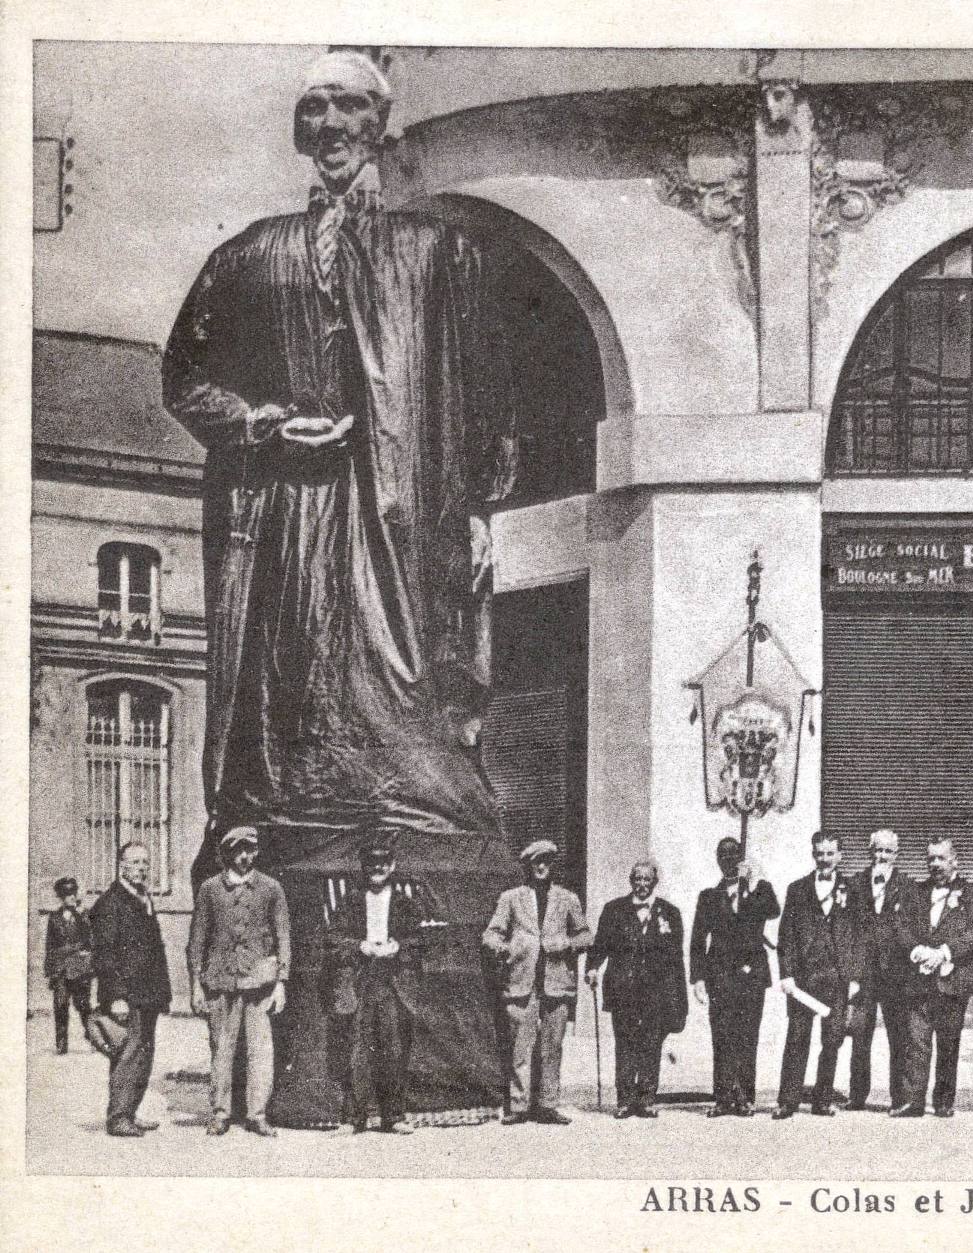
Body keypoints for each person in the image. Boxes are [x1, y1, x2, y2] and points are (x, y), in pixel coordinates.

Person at [161, 49, 518, 1126]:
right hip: (284, 518)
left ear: (384, 121)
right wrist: (265, 424)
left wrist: (481, 512)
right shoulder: (247, 255)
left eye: (349, 103)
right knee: (295, 676)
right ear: (296, 128)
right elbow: (187, 375)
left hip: (403, 522)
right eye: (312, 105)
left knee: (405, 685)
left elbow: (491, 391)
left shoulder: (439, 253)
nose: (330, 121)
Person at [187, 826, 290, 1136]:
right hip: (220, 981)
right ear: (227, 853)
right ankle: (220, 1112)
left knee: (261, 1050)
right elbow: (197, 939)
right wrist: (195, 984)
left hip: (259, 982)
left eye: (250, 850)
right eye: (238, 850)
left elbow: (283, 935)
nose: (245, 857)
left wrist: (281, 982)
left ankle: (257, 1114)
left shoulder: (271, 888)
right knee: (222, 1048)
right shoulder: (210, 889)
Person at [483, 840, 593, 1125]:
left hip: (557, 982)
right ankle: (519, 1106)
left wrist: (565, 943)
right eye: (536, 862)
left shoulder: (568, 898)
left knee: (552, 1047)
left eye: (546, 860)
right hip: (522, 983)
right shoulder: (511, 898)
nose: (541, 866)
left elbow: (585, 936)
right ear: (528, 866)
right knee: (521, 1047)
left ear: (553, 864)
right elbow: (491, 935)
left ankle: (547, 1105)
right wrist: (506, 949)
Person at [325, 836, 421, 1134]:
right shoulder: (351, 900)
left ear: (392, 866)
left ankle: (394, 1116)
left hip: (392, 984)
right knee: (358, 1050)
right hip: (360, 981)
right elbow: (333, 939)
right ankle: (354, 1118)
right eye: (371, 863)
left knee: (393, 1049)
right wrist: (360, 946)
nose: (377, 868)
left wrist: (398, 947)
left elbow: (419, 940)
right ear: (364, 867)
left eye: (383, 863)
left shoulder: (405, 903)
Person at [774, 830, 867, 1119]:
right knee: (797, 1039)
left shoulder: (853, 890)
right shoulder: (797, 889)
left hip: (836, 978)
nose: (825, 859)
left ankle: (822, 1100)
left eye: (830, 853)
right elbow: (785, 936)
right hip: (803, 980)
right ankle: (787, 1101)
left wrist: (854, 978)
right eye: (820, 853)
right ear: (813, 854)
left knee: (832, 1042)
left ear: (839, 856)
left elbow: (860, 937)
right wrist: (787, 974)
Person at [892, 837, 973, 1118]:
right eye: (930, 858)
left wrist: (944, 952)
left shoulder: (971, 893)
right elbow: (901, 926)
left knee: (948, 1043)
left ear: (954, 861)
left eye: (940, 858)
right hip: (919, 980)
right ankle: (912, 1101)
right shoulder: (914, 892)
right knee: (916, 1042)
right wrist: (916, 948)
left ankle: (944, 1101)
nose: (934, 864)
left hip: (952, 981)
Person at [588, 860, 688, 1120]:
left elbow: (676, 958)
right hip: (623, 989)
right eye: (637, 879)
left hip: (657, 991)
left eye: (647, 880)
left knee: (651, 1043)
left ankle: (646, 1099)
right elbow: (600, 944)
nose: (642, 885)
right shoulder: (614, 910)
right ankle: (624, 1100)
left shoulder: (670, 912)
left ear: (654, 883)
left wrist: (678, 997)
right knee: (625, 1043)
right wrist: (592, 968)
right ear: (631, 881)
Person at [690, 837, 780, 1116]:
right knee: (722, 1036)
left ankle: (745, 1097)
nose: (728, 860)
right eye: (723, 855)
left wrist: (752, 884)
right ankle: (723, 1098)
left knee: (747, 1036)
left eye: (734, 855)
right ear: (717, 859)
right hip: (720, 976)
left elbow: (773, 910)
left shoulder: (759, 889)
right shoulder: (708, 896)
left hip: (752, 975)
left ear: (742, 858)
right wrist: (698, 978)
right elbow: (697, 940)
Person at [89, 843, 172, 1137]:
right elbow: (105, 956)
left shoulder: (141, 898)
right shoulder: (110, 903)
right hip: (128, 996)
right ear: (121, 866)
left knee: (143, 1054)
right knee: (128, 1054)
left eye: (146, 863)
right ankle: (118, 1117)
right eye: (135, 862)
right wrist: (116, 997)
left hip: (148, 993)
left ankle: (131, 1113)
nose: (142, 868)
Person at [845, 827, 919, 1111]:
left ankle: (899, 1096)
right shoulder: (854, 885)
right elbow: (848, 930)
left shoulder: (909, 887)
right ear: (870, 851)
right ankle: (857, 1095)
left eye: (888, 851)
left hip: (895, 975)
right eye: (878, 850)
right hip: (863, 974)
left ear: (896, 855)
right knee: (860, 1036)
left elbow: (913, 928)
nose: (882, 856)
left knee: (898, 1036)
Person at [44, 876, 95, 1055]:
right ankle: (61, 1044)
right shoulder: (54, 918)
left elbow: (91, 939)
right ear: (61, 896)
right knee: (60, 1005)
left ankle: (94, 1038)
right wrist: (49, 970)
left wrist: (82, 916)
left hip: (80, 969)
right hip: (60, 969)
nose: (72, 897)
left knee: (83, 1006)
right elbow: (50, 945)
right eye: (67, 894)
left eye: (74, 892)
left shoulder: (84, 915)